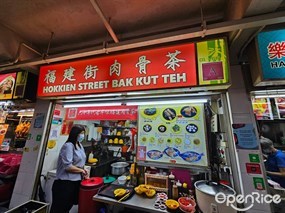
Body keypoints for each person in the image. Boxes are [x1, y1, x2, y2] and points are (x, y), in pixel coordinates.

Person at [50, 124, 88, 213]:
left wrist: (84, 171)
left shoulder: (79, 145)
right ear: (75, 134)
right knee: (59, 209)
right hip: (64, 184)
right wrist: (81, 170)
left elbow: (81, 162)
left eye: (83, 133)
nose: (83, 135)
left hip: (75, 183)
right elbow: (68, 167)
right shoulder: (68, 146)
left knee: (67, 207)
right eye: (81, 133)